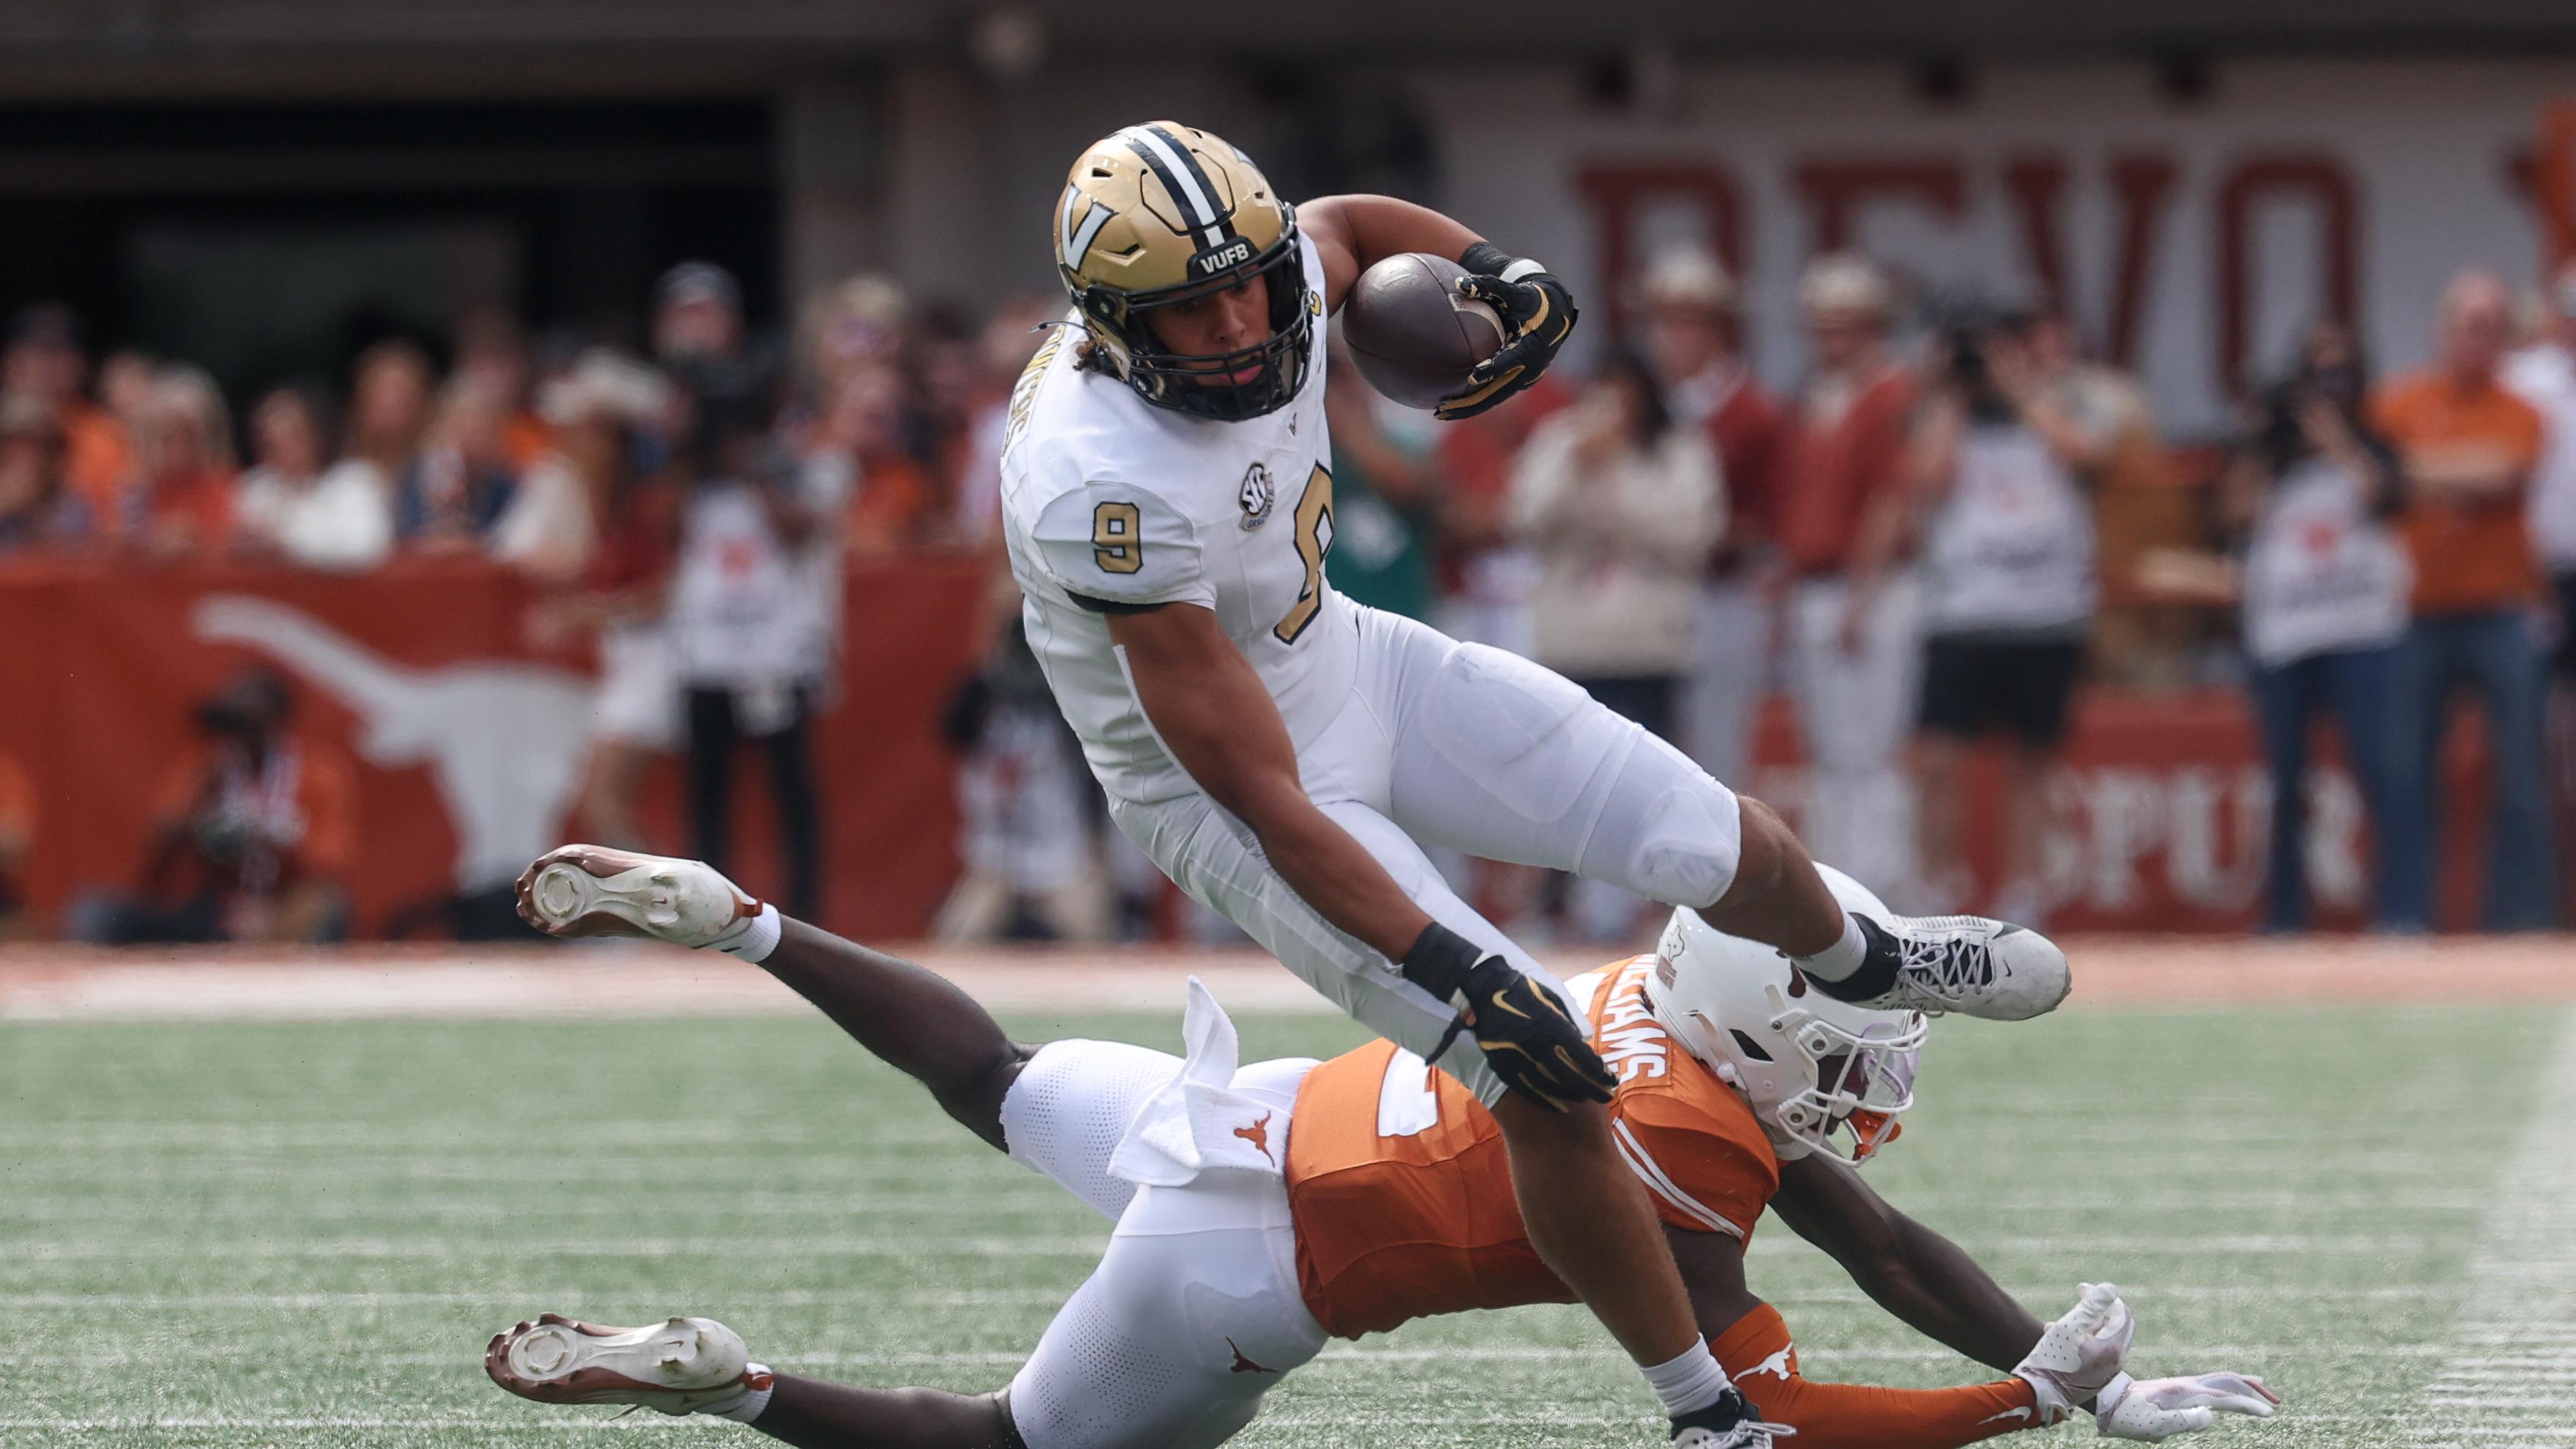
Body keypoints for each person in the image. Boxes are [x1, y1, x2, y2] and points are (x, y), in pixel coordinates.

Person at [992, 121, 2068, 1448]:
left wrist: (1498, 268)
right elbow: (1269, 799)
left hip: (1345, 655)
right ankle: (1704, 1411)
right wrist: (1463, 969)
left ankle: (1859, 959)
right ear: (1109, 327)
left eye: (1246, 286)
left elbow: (1343, 221)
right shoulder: (1098, 483)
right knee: (1542, 1074)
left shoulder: (1274, 273)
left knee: (1721, 839)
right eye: (1191, 309)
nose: (1234, 323)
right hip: (1234, 789)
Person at [490, 844, 2272, 1449]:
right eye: (1849, 1027)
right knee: (1006, 1448)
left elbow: (1878, 1243)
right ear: (1768, 1026)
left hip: (1240, 1109)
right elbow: (1772, 1418)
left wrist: (2067, 1376)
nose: (1871, 1060)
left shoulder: (1643, 1009)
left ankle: (748, 927)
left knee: (997, 1075)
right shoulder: (1690, 1161)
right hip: (1248, 1262)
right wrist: (2015, 1405)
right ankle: (724, 1386)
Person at [1896, 307, 2105, 925]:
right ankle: (1937, 887)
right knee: (1935, 757)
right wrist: (1953, 395)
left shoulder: (2062, 402)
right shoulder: (1944, 415)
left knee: (2033, 759)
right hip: (1963, 611)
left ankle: (2026, 892)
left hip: (2047, 612)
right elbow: (1923, 479)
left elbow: (2084, 454)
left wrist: (2017, 389)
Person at [1510, 350, 1724, 939]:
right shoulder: (1562, 440)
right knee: (1561, 780)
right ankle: (1552, 906)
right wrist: (1579, 464)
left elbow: (1691, 535)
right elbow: (1526, 517)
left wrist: (1615, 486)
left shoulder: (1680, 450)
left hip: (1647, 643)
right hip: (1573, 640)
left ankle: (1661, 908)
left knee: (1654, 783)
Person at [2371, 270, 2557, 930]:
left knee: (2522, 776)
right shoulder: (2399, 400)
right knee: (2406, 770)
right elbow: (2374, 476)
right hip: (2419, 609)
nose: (2474, 339)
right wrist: (2439, 470)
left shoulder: (2524, 408)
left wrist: (2416, 469)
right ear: (2440, 329)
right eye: (2464, 324)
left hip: (2503, 607)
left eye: (2488, 327)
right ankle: (2405, 919)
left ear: (2503, 340)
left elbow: (2503, 469)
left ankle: (2524, 923)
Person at [2222, 322, 2416, 932]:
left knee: (2380, 770)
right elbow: (2229, 513)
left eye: (2339, 375)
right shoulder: (2270, 456)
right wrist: (2264, 441)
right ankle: (2283, 920)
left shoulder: (2373, 444)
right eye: (2318, 376)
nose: (2328, 389)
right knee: (2284, 778)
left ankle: (2401, 914)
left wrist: (2335, 438)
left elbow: (2385, 495)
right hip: (2284, 635)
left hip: (2362, 629)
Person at [1776, 255, 1923, 900]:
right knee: (1830, 747)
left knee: (1871, 744)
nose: (1830, 341)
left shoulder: (1890, 393)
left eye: (1844, 328)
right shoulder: (1819, 396)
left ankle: (1881, 879)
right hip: (1819, 583)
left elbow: (1892, 497)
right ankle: (1837, 879)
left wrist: (1864, 591)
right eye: (1822, 328)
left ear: (1874, 328)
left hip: (1872, 586)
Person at [668, 376, 828, 924]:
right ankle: (708, 909)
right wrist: (686, 444)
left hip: (772, 660)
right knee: (708, 796)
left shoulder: (779, 473)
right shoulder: (692, 483)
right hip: (708, 659)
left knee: (791, 791)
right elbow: (656, 521)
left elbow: (805, 529)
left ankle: (805, 910)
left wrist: (756, 470)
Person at [514, 351, 685, 851]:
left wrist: (579, 613)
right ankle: (653, 913)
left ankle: (668, 911)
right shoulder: (601, 501)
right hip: (630, 661)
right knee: (603, 802)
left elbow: (664, 596)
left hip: (656, 659)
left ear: (613, 442)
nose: (572, 445)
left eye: (587, 433)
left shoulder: (649, 504)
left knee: (603, 801)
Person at [1638, 248, 1788, 792]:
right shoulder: (1656, 405)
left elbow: (1774, 512)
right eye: (1662, 322)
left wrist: (1709, 537)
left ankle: (1723, 866)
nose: (1668, 337)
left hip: (1725, 592)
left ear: (1714, 328)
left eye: (1682, 322)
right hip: (1654, 591)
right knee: (1655, 739)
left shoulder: (1751, 409)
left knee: (1719, 741)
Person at [67, 668, 356, 945]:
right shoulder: (203, 769)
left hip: (282, 902)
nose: (237, 737)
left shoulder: (319, 775)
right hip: (211, 905)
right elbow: (154, 863)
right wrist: (197, 814)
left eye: (248, 725)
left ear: (276, 721)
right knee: (96, 912)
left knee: (324, 904)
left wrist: (267, 835)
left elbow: (329, 865)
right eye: (230, 726)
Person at [232, 384, 395, 571]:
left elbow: (367, 546)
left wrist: (286, 542)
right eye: (270, 442)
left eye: (292, 436)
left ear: (317, 435)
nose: (281, 448)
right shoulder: (255, 487)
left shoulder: (353, 481)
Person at [1, 304, 127, 530]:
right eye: (36, 353)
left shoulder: (106, 437)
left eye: (59, 354)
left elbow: (117, 519)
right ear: (10, 362)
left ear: (81, 365)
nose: (46, 367)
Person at [118, 365, 238, 561]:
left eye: (188, 436)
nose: (178, 448)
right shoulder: (134, 491)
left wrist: (196, 544)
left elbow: (234, 550)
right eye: (167, 437)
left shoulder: (228, 489)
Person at [0, 392, 92, 551]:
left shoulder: (71, 506)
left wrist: (34, 513)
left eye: (33, 447)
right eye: (11, 446)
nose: (23, 458)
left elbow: (70, 558)